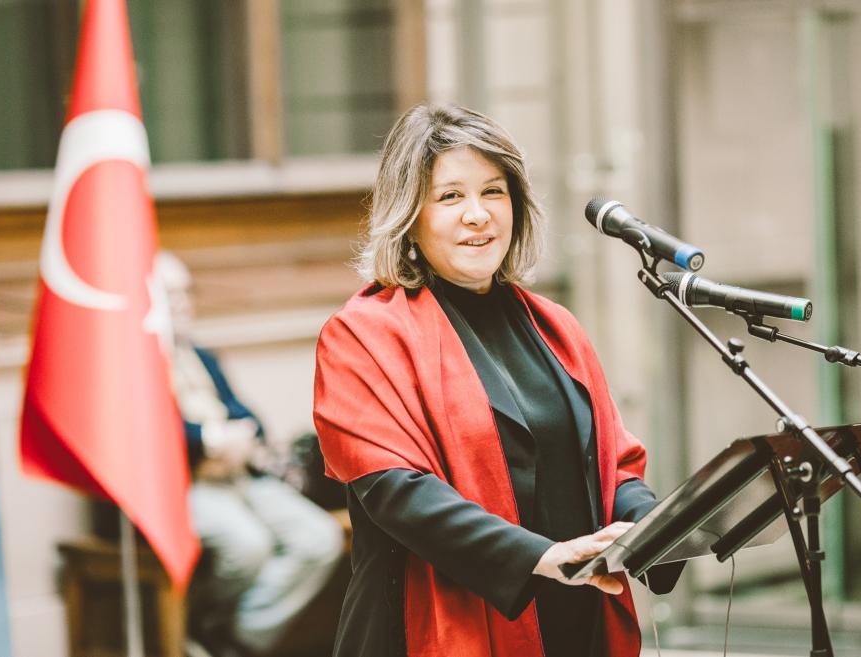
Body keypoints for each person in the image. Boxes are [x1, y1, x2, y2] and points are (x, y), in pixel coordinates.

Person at [313, 103, 683, 657]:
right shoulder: (363, 334)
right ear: (409, 215)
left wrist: (656, 523)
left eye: (494, 191)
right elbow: (397, 491)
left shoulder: (555, 326)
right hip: (432, 626)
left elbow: (611, 465)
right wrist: (537, 556)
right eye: (450, 196)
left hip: (572, 616)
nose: (478, 215)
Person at [154, 251, 344, 657]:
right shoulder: (136, 367)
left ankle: (233, 638)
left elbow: (249, 417)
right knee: (247, 547)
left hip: (240, 476)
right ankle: (212, 626)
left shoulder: (200, 356)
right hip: (189, 486)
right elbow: (152, 435)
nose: (185, 302)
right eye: (171, 295)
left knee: (319, 539)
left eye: (187, 292)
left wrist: (239, 433)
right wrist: (209, 438)